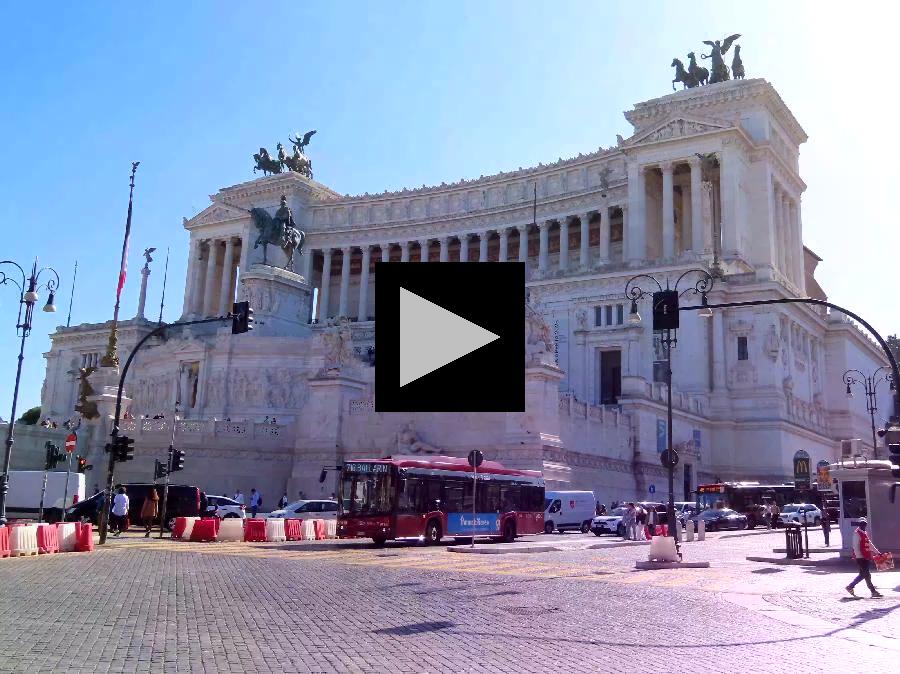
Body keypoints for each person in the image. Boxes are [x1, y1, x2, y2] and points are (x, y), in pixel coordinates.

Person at [847, 518, 882, 598]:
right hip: (861, 558)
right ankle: (872, 591)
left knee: (863, 574)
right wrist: (859, 557)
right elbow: (855, 547)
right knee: (866, 574)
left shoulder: (864, 533)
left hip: (866, 556)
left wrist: (877, 552)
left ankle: (851, 587)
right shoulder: (857, 533)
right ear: (859, 525)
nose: (864, 525)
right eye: (862, 524)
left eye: (865, 524)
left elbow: (869, 544)